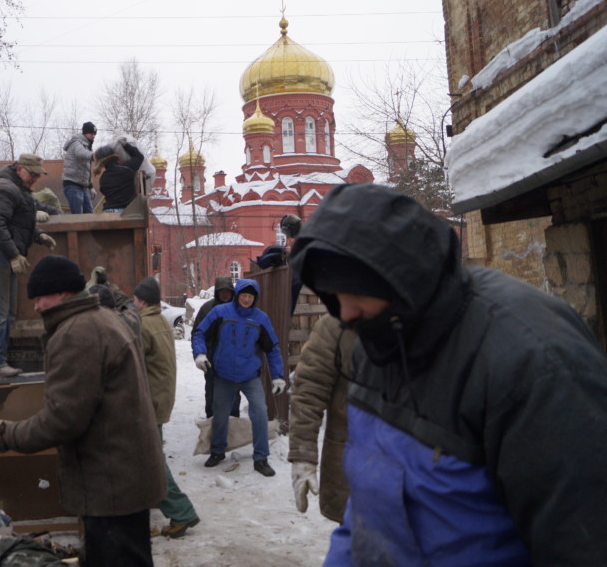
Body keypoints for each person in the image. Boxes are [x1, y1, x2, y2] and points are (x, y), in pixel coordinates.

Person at [290, 183, 607, 566]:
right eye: (332, 296)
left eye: (354, 291)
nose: (345, 313)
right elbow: (368, 513)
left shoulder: (532, 360)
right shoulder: (375, 339)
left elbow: (582, 540)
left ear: (398, 276)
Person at [0, 256, 165, 567]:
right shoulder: (102, 319)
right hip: (124, 477)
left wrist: (4, 433)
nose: (36, 306)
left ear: (63, 293)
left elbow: (62, 421)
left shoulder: (77, 333)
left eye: (41, 297)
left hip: (111, 483)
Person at [0, 154, 57, 377]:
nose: (35, 179)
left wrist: (39, 235)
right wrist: (14, 255)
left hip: (3, 252)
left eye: (38, 175)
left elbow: (19, 223)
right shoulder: (5, 188)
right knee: (0, 310)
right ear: (19, 169)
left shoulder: (19, 190)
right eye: (32, 174)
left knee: (7, 311)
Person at [191, 278, 285, 477]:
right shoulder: (220, 312)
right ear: (237, 295)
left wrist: (278, 375)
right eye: (244, 295)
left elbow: (272, 348)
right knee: (220, 414)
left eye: (250, 296)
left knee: (259, 412)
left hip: (249, 375)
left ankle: (260, 458)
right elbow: (199, 332)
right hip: (223, 374)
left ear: (255, 298)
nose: (246, 299)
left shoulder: (261, 319)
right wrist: (199, 354)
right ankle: (217, 451)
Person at [131, 276, 200, 539]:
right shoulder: (159, 320)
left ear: (144, 301)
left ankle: (181, 511)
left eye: (135, 300)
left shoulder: (143, 325)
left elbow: (130, 362)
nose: (133, 304)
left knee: (152, 462)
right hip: (160, 398)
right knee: (148, 459)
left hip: (149, 402)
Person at [287, 313, 356, 522]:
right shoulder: (335, 326)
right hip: (351, 462)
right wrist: (303, 457)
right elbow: (309, 391)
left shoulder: (435, 318)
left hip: (422, 472)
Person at [191, 276, 240, 419]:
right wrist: (200, 354)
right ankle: (212, 426)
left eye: (228, 291)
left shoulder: (239, 309)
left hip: (233, 362)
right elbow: (197, 333)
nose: (225, 294)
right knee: (212, 395)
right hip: (212, 361)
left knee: (233, 396)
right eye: (221, 291)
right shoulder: (207, 309)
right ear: (217, 292)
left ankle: (232, 428)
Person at [94, 139, 144, 212]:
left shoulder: (103, 179)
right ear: (115, 156)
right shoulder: (127, 169)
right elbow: (139, 157)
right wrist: (126, 145)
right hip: (127, 213)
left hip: (108, 212)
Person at [62, 122, 97, 214]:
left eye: (94, 134)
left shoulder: (87, 147)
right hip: (72, 185)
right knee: (78, 217)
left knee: (89, 215)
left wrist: (91, 186)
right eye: (91, 134)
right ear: (85, 133)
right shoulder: (76, 143)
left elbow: (86, 169)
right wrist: (97, 155)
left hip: (82, 187)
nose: (93, 136)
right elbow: (81, 153)